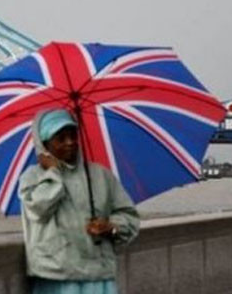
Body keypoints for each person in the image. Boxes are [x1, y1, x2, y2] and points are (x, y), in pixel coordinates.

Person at [18, 109, 140, 294]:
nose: (70, 143)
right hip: (55, 278)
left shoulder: (101, 175)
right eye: (61, 138)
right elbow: (38, 209)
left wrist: (111, 226)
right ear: (44, 145)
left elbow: (129, 216)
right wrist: (53, 174)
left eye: (73, 135)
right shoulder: (32, 178)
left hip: (98, 276)